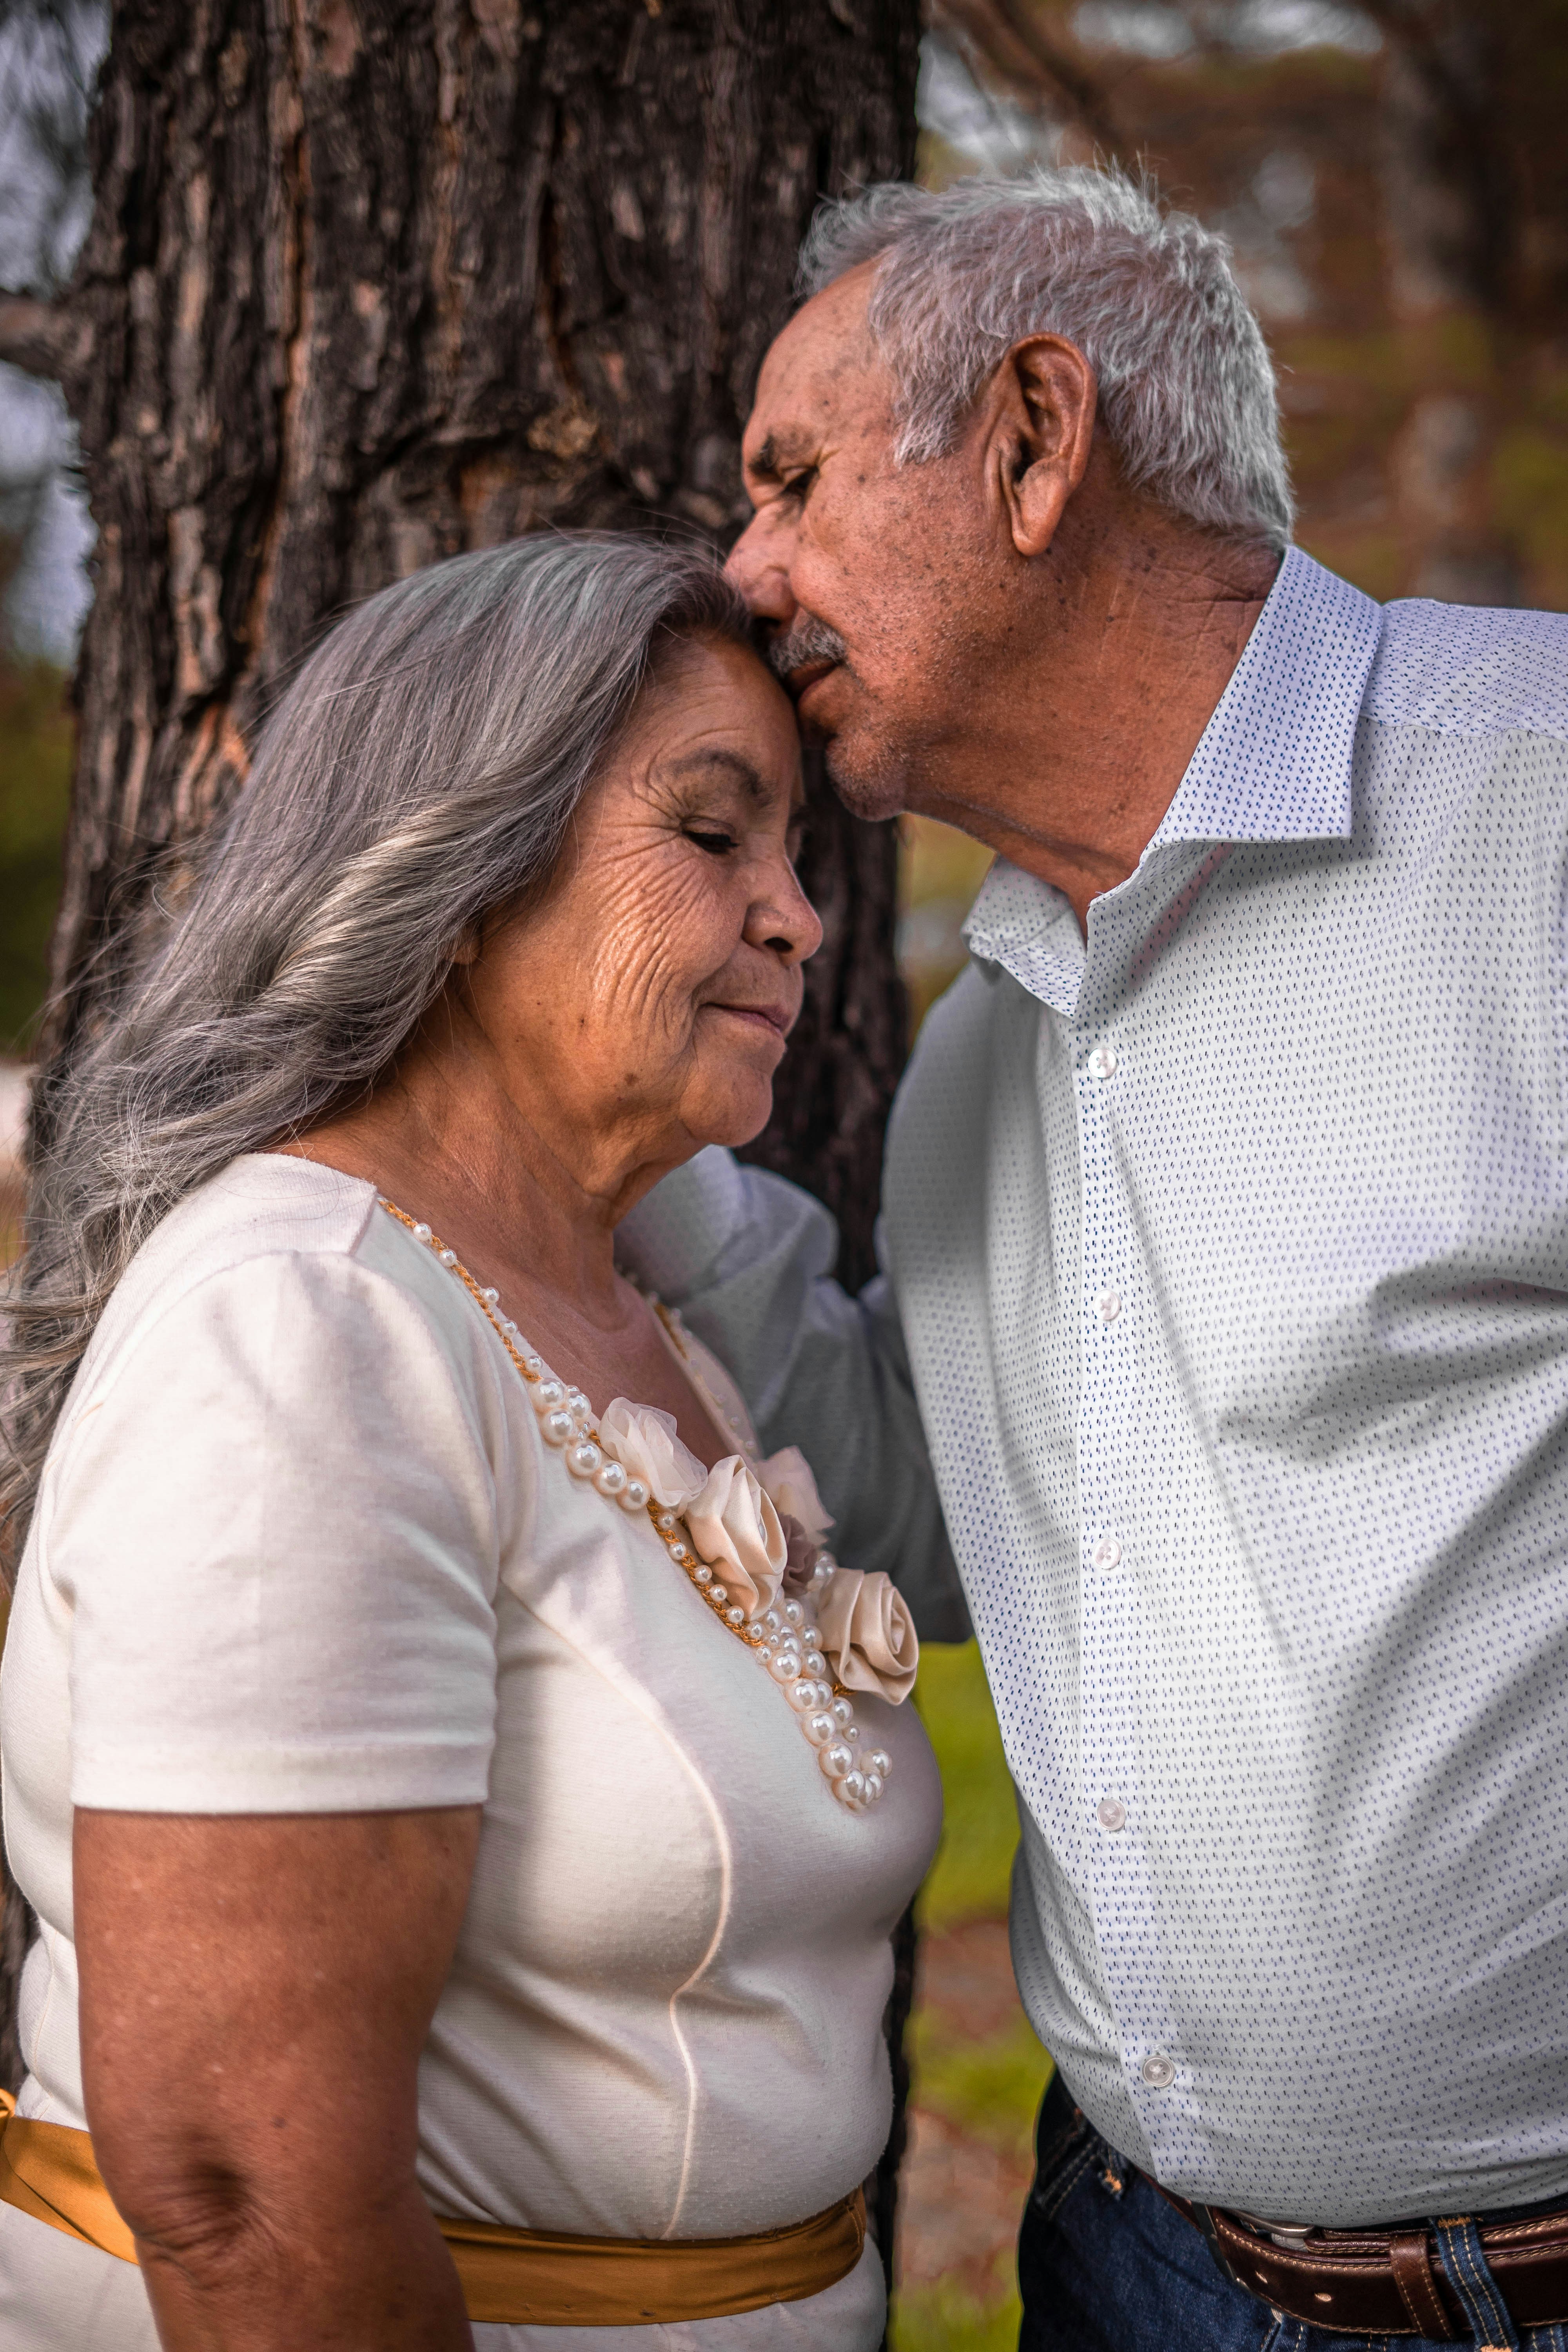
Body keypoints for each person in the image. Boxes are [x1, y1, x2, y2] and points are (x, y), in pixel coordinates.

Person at [615, 166, 1568, 2352]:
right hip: (1132, 2264)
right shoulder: (988, 1045)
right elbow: (961, 1526)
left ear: (1039, 436)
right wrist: (617, 1135)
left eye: (792, 480)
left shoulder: (1538, 815)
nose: (743, 577)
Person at [0, 532, 945, 2352]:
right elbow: (248, 2196)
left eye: (797, 857)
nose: (798, 917)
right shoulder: (308, 1327)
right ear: (458, 861)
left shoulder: (621, 1313)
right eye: (708, 832)